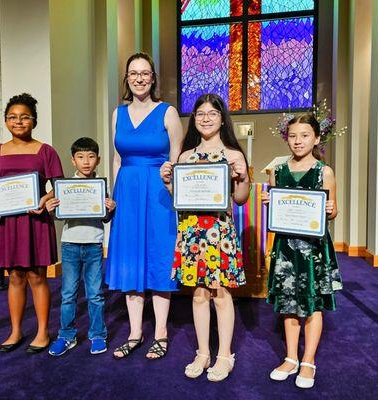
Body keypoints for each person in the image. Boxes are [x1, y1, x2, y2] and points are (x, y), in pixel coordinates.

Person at [160, 94, 250, 381]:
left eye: (212, 113)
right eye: (200, 113)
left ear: (223, 119)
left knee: (221, 294)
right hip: (192, 233)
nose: (206, 118)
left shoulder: (234, 155)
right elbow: (180, 200)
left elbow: (240, 199)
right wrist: (168, 182)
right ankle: (202, 352)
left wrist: (243, 177)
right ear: (194, 119)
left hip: (219, 234)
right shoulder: (184, 157)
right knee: (199, 295)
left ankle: (224, 355)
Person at [106, 52, 184, 360]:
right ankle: (136, 332)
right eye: (133, 73)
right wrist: (114, 194)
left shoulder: (167, 112)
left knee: (158, 257)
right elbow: (116, 157)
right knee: (131, 258)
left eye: (145, 73)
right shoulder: (118, 114)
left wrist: (170, 185)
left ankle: (161, 332)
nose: (139, 78)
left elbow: (176, 154)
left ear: (153, 78)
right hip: (127, 191)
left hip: (159, 191)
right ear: (126, 78)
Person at [261, 113, 342, 389]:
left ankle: (308, 361)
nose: (298, 141)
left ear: (317, 138)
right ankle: (291, 357)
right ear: (287, 138)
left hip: (313, 250)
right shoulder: (278, 170)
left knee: (312, 303)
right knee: (288, 304)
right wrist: (268, 202)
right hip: (286, 248)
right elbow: (276, 209)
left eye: (305, 135)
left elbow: (333, 210)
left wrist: (331, 209)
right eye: (293, 136)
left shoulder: (324, 171)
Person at [0, 93, 64, 353]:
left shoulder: (45, 150)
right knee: (15, 277)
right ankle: (16, 331)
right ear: (6, 121)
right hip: (6, 224)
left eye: (24, 117)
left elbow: (59, 187)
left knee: (36, 276)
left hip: (34, 222)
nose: (18, 122)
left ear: (34, 120)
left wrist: (45, 199)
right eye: (12, 117)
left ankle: (42, 331)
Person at [45, 137, 116, 356]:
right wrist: (51, 208)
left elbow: (104, 219)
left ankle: (97, 334)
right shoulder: (64, 187)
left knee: (94, 293)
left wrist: (110, 208)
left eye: (91, 156)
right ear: (73, 161)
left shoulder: (100, 188)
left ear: (98, 160)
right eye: (81, 157)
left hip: (94, 243)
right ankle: (66, 335)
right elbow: (59, 216)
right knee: (68, 293)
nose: (86, 161)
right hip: (70, 244)